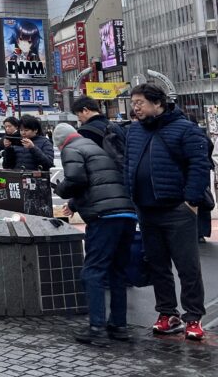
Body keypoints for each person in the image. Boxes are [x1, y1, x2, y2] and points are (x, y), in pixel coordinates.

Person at [124, 83, 211, 340]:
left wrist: (191, 201)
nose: (135, 108)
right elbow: (127, 164)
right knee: (157, 266)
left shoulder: (185, 129)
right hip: (146, 210)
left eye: (139, 102)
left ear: (158, 103)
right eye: (133, 103)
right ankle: (167, 313)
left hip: (177, 209)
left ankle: (193, 317)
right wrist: (132, 197)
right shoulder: (134, 132)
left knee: (187, 267)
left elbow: (199, 165)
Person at [53, 122, 137, 345]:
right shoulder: (95, 147)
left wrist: (60, 189)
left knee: (93, 271)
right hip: (126, 213)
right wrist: (75, 203)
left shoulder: (71, 149)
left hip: (103, 218)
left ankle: (97, 328)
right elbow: (99, 182)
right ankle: (119, 326)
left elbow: (76, 179)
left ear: (60, 143)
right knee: (117, 272)